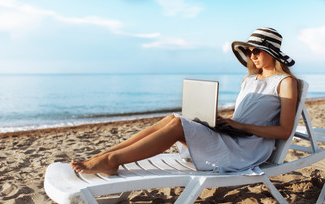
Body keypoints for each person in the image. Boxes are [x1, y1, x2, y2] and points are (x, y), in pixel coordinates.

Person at [71, 27, 298, 175]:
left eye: (257, 51)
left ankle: (112, 160)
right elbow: (243, 117)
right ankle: (105, 155)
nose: (252, 56)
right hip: (233, 137)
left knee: (179, 125)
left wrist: (240, 126)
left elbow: (285, 131)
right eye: (249, 52)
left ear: (273, 53)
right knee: (174, 117)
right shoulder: (250, 80)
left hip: (245, 150)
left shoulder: (285, 82)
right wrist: (225, 121)